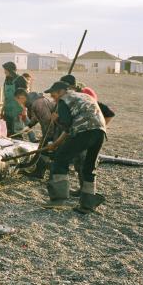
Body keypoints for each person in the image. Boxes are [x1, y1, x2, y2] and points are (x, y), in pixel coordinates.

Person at [43, 81, 106, 214]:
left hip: (84, 132)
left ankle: (58, 199)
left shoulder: (64, 101)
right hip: (100, 132)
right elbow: (71, 127)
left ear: (61, 91)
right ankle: (87, 204)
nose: (52, 97)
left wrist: (56, 120)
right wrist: (56, 144)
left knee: (60, 159)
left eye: (53, 94)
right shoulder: (84, 96)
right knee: (89, 166)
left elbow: (67, 125)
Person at [1, 62, 28, 136]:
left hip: (17, 111)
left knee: (17, 134)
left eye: (5, 70)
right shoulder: (6, 80)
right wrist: (2, 110)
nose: (4, 72)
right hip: (8, 111)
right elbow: (5, 97)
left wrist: (24, 110)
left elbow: (25, 97)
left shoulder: (20, 80)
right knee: (8, 133)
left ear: (10, 70)